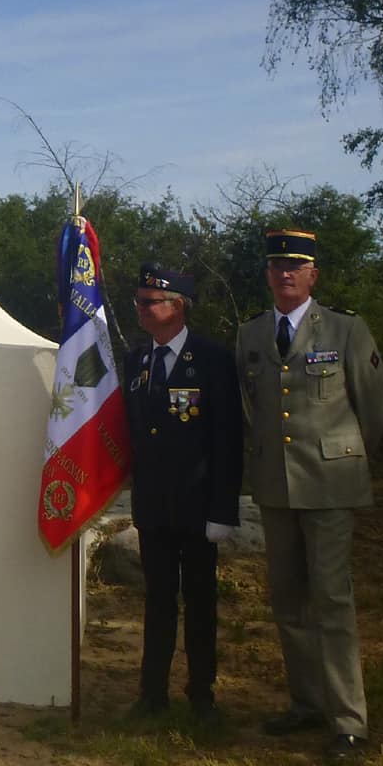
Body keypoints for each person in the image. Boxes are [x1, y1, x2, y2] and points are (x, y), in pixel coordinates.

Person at [237, 227, 383, 763]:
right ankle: (306, 701)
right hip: (276, 486)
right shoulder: (251, 335)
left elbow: (372, 410)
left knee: (332, 599)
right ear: (267, 275)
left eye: (295, 266)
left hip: (328, 486)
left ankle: (349, 720)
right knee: (287, 599)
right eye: (277, 266)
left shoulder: (346, 330)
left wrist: (342, 459)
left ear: (312, 275)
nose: (285, 274)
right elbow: (252, 408)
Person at [121, 262, 243, 723]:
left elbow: (227, 438)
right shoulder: (137, 360)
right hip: (154, 505)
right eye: (139, 302)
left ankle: (201, 694)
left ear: (178, 307)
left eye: (151, 302)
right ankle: (151, 692)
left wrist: (223, 509)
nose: (143, 310)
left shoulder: (211, 360)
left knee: (200, 601)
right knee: (157, 601)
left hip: (197, 504)